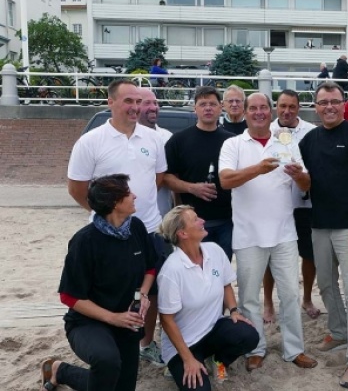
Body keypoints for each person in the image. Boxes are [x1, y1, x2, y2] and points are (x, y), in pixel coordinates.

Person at [67, 79, 168, 367]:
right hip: (106, 235)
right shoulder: (90, 141)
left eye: (139, 101)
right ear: (111, 102)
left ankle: (145, 343)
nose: (135, 107)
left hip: (149, 229)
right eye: (128, 101)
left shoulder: (153, 139)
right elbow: (76, 188)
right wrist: (110, 217)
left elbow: (157, 179)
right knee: (112, 290)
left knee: (152, 291)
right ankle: (109, 341)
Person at [219, 92, 318, 372]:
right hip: (248, 234)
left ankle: (294, 349)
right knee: (249, 296)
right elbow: (226, 180)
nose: (259, 112)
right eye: (254, 108)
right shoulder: (233, 143)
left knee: (289, 294)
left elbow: (305, 184)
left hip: (284, 232)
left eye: (264, 107)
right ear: (246, 112)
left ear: (271, 111)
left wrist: (298, 175)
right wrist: (258, 169)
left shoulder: (286, 142)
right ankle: (256, 347)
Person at [41, 174, 156, 391]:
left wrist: (143, 295)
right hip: (88, 322)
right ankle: (64, 371)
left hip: (127, 322)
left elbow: (150, 267)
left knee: (116, 385)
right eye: (128, 193)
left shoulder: (137, 227)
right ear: (114, 203)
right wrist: (113, 317)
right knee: (107, 361)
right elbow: (69, 296)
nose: (135, 196)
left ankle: (60, 371)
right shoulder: (84, 241)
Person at [298, 82, 348, 389]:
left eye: (334, 101)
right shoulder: (309, 140)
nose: (329, 107)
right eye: (322, 102)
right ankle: (338, 330)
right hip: (319, 223)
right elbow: (305, 182)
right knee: (327, 284)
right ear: (315, 106)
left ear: (345, 104)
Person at [157, 205, 259, 388]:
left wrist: (234, 310)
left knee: (248, 335)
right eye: (195, 219)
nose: (202, 221)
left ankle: (219, 362)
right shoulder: (171, 271)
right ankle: (175, 366)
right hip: (183, 345)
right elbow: (166, 320)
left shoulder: (214, 250)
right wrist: (188, 359)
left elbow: (226, 283)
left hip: (212, 331)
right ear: (183, 234)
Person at [262, 89, 320, 323]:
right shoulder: (266, 130)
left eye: (292, 107)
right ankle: (268, 302)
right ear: (277, 107)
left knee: (309, 255)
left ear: (299, 108)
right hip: (274, 204)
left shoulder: (311, 132)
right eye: (282, 106)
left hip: (305, 203)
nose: (287, 111)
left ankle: (306, 298)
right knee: (270, 255)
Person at [163, 86, 235, 260]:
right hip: (191, 224)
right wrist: (191, 188)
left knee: (221, 271)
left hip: (227, 221)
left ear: (221, 107)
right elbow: (166, 178)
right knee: (193, 273)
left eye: (212, 104)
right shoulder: (178, 141)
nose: (208, 108)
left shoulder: (232, 141)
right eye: (203, 104)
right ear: (195, 109)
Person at [138, 88, 173, 217]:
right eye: (147, 103)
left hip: (161, 216)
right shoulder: (124, 138)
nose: (153, 107)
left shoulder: (167, 137)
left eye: (155, 103)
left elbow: (173, 176)